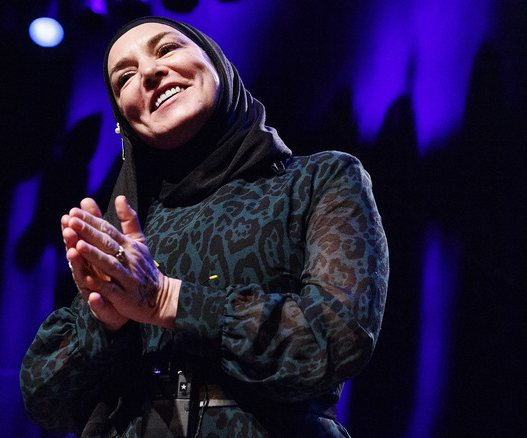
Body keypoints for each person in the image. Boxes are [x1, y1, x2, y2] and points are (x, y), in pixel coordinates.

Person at [20, 16, 388, 437]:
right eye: (125, 78)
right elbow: (44, 402)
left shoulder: (319, 180)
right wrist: (103, 324)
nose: (150, 72)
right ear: (125, 120)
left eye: (167, 49)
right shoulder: (127, 227)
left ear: (217, 64)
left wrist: (165, 300)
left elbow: (338, 338)